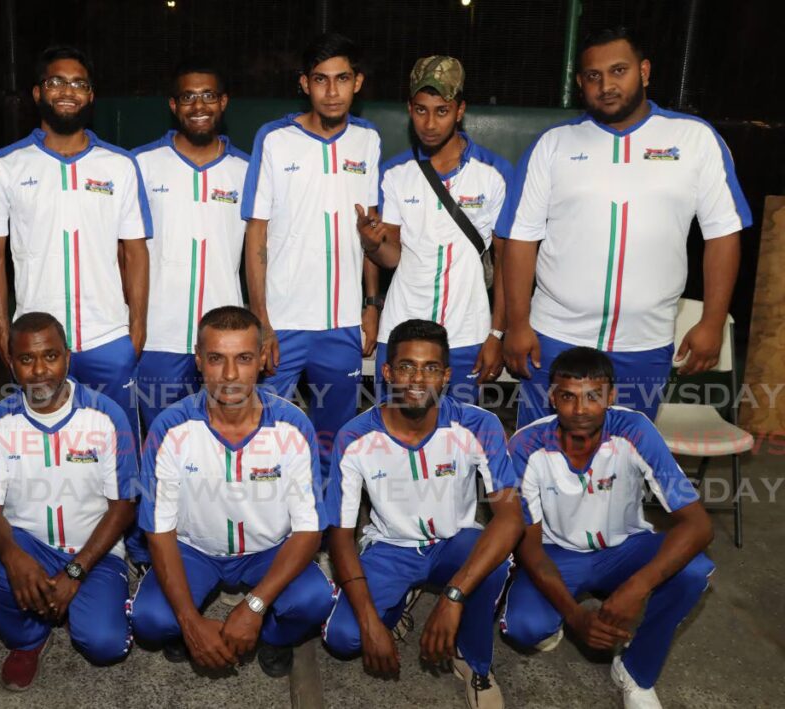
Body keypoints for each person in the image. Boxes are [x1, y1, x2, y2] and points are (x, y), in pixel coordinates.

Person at [496, 26, 751, 427]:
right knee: (542, 453)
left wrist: (713, 323)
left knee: (625, 455)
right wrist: (517, 324)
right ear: (580, 83)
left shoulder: (695, 139)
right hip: (554, 337)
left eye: (619, 71)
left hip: (644, 343)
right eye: (593, 76)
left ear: (644, 71)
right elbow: (520, 239)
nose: (606, 86)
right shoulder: (553, 144)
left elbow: (723, 234)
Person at [323, 319, 522, 709]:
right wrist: (370, 621)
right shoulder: (355, 436)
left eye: (430, 368)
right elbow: (341, 536)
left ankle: (472, 660)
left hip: (454, 542)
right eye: (406, 366)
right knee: (344, 638)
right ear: (387, 372)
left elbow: (511, 517)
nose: (418, 379)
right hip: (390, 547)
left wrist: (453, 596)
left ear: (446, 376)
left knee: (495, 561)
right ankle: (396, 604)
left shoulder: (478, 424)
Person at [502, 346, 714, 709]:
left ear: (611, 396)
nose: (580, 409)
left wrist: (637, 587)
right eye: (568, 396)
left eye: (593, 396)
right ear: (552, 398)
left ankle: (635, 672)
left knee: (694, 570)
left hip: (625, 547)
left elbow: (699, 525)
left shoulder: (634, 429)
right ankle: (561, 615)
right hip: (556, 553)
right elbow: (530, 549)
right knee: (524, 626)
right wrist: (575, 618)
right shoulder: (526, 445)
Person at [130, 306, 334, 678]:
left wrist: (254, 606)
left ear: (262, 359)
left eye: (243, 358)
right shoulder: (170, 427)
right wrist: (190, 622)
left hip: (268, 550)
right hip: (194, 551)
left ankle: (272, 636)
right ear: (198, 360)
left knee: (314, 600)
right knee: (151, 619)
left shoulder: (292, 425)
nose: (229, 374)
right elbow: (158, 531)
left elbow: (309, 529)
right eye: (216, 359)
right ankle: (185, 631)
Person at [0, 312, 138, 691]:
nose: (39, 370)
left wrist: (75, 572)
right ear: (11, 363)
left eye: (50, 356)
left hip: (94, 552)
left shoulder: (105, 415)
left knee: (106, 645)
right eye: (26, 359)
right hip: (28, 545)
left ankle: (70, 606)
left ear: (67, 357)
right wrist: (13, 557)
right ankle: (28, 638)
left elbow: (124, 505)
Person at [0, 44, 151, 443]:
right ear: (38, 92)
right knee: (45, 450)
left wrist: (136, 330)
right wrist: (4, 335)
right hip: (38, 343)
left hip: (109, 338)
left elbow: (135, 252)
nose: (68, 91)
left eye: (79, 84)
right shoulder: (4, 166)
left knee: (120, 448)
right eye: (56, 81)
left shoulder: (120, 165)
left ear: (91, 96)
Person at [242, 32, 381, 476]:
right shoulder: (274, 138)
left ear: (358, 82)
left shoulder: (368, 139)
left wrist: (371, 304)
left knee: (333, 444)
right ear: (305, 84)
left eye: (342, 78)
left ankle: (324, 519)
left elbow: (370, 229)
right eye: (321, 79)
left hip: (342, 323)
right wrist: (261, 320)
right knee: (266, 438)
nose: (332, 91)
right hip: (282, 324)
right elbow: (256, 233)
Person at [364, 56, 512, 404]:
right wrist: (373, 244)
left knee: (458, 430)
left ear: (460, 110)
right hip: (401, 330)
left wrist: (497, 333)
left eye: (442, 111)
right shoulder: (395, 173)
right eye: (421, 110)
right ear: (409, 109)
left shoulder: (494, 172)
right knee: (393, 427)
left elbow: (507, 262)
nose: (429, 123)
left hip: (467, 333)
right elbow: (391, 257)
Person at [132, 58, 249, 430]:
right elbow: (122, 252)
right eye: (188, 97)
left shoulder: (248, 171)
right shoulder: (140, 165)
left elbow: (263, 254)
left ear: (223, 102)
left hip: (225, 342)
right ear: (173, 105)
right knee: (160, 439)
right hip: (157, 336)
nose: (199, 105)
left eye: (208, 95)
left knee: (221, 437)